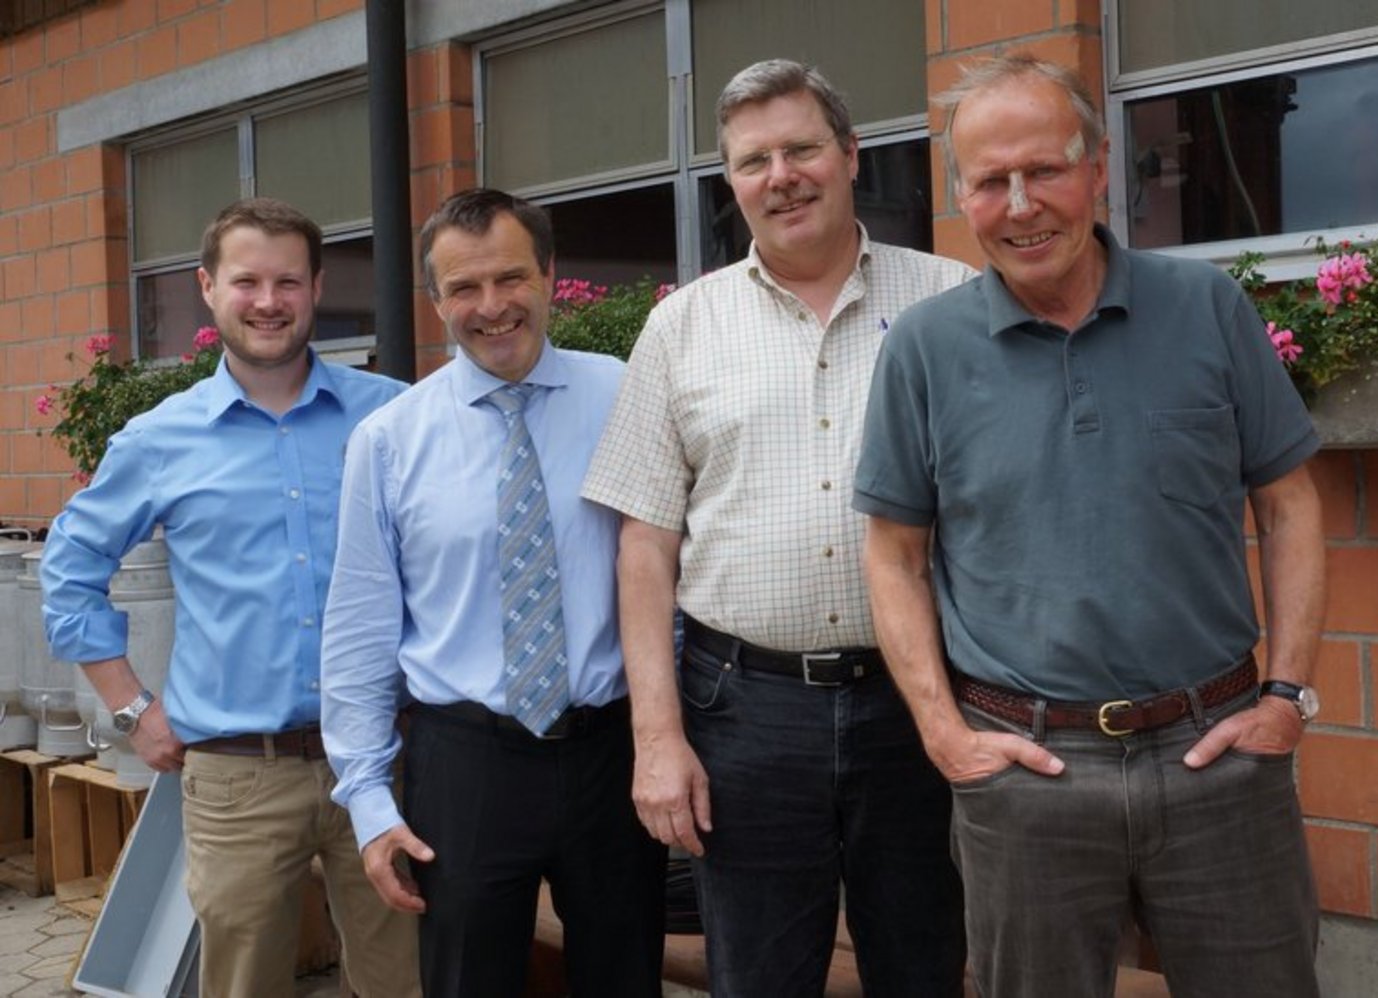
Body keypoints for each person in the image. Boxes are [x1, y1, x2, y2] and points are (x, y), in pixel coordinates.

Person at [854, 54, 1325, 998]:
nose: (1021, 204)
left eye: (1045, 171)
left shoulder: (1207, 308)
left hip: (1220, 754)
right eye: (991, 182)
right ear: (962, 195)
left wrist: (1286, 699)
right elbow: (894, 555)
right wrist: (946, 736)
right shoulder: (923, 350)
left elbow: (1290, 503)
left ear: (1099, 169)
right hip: (1028, 778)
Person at [581, 59, 976, 996]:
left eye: (801, 149)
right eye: (754, 160)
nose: (781, 176)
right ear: (731, 182)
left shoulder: (955, 303)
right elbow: (644, 549)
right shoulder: (682, 328)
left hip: (919, 705)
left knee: (925, 966)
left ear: (849, 155)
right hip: (744, 713)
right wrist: (657, 739)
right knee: (758, 976)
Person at [41, 197, 420, 998]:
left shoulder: (392, 416)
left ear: (317, 287)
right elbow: (69, 567)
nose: (269, 301)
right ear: (208, 289)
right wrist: (131, 708)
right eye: (247, 280)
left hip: (389, 759)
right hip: (237, 777)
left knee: (407, 980)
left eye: (288, 280)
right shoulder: (158, 440)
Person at [319, 188, 667, 996]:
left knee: (626, 978)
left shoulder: (627, 396)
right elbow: (360, 628)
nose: (492, 307)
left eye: (511, 278)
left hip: (612, 751)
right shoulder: (389, 440)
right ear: (435, 300)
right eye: (464, 289)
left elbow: (665, 577)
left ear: (549, 274)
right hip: (465, 763)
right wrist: (369, 803)